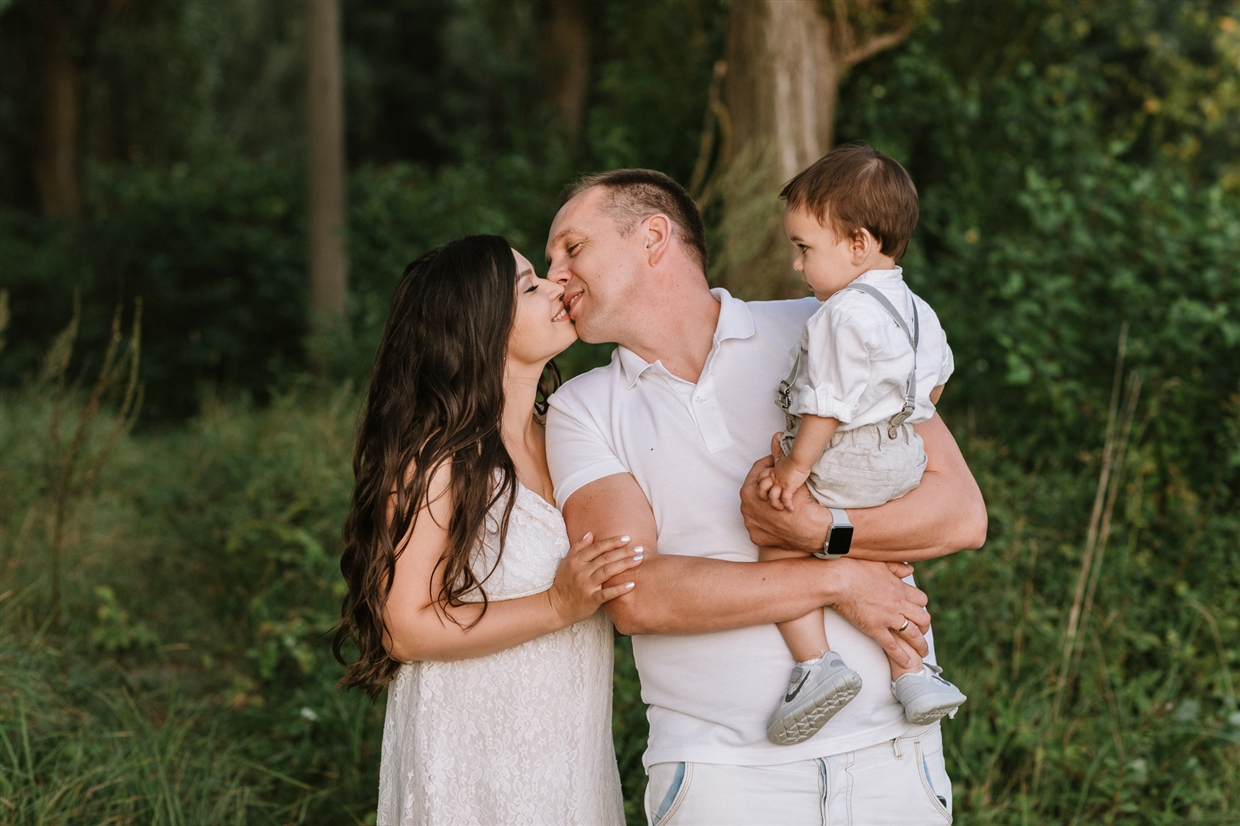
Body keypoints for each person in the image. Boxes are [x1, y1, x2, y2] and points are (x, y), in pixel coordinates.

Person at [544, 170, 987, 824]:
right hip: (724, 780)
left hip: (893, 757)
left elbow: (960, 513)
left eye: (572, 248)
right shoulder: (582, 408)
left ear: (653, 237)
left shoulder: (827, 322)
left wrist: (822, 532)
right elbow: (635, 592)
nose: (554, 273)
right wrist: (838, 581)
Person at [332, 235, 636, 825]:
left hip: (567, 755)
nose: (557, 287)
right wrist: (557, 603)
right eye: (529, 286)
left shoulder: (570, 440)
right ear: (479, 326)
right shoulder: (438, 459)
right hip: (469, 757)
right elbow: (404, 628)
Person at [757, 145, 968, 747]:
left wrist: (795, 470)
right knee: (881, 559)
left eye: (804, 249)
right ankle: (914, 672)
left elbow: (823, 406)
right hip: (902, 452)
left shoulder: (838, 316)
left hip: (844, 452)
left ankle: (816, 666)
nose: (798, 267)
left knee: (776, 535)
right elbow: (935, 384)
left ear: (858, 243)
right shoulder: (918, 309)